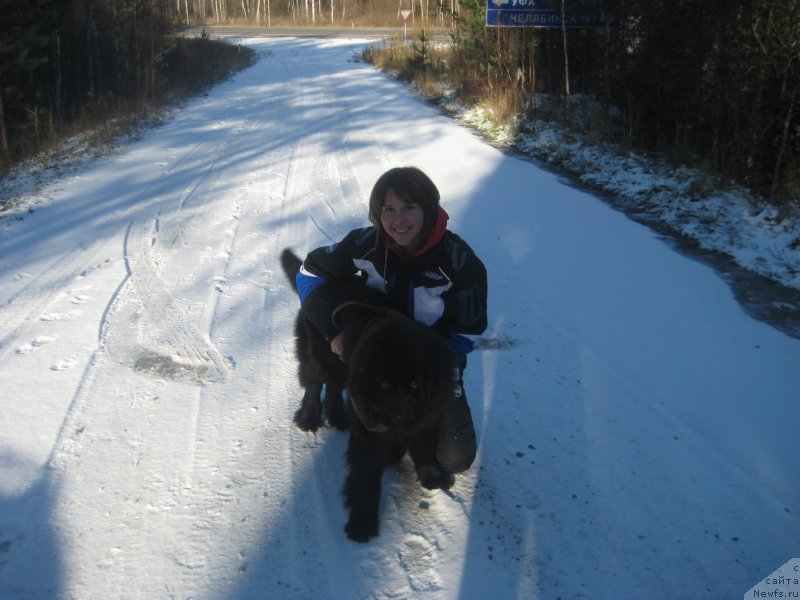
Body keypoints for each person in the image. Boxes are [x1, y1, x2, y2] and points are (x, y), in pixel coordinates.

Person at [295, 166, 488, 478]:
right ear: (377, 214)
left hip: (431, 365)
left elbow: (469, 334)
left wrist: (429, 371)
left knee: (454, 460)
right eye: (388, 210)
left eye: (409, 207)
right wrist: (333, 331)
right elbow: (309, 273)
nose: (399, 221)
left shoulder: (461, 265)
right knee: (385, 453)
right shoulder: (365, 245)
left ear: (428, 207)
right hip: (375, 360)